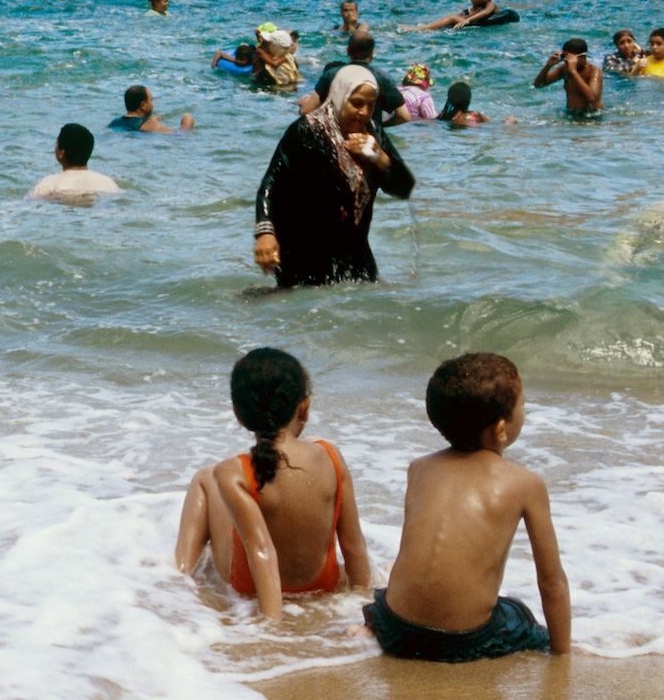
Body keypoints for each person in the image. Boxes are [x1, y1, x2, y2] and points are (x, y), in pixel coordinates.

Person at [363, 353, 569, 661]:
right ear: (501, 429)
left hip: (396, 631)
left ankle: (370, 628)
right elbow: (551, 582)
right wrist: (561, 654)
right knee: (517, 614)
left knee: (386, 596)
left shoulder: (418, 469)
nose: (525, 411)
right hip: (463, 643)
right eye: (523, 406)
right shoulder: (525, 483)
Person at [175, 348, 371, 619]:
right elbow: (353, 544)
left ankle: (179, 575)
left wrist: (272, 626)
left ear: (238, 414)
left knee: (204, 478)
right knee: (311, 443)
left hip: (252, 588)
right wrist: (360, 602)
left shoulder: (232, 472)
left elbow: (261, 550)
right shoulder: (331, 455)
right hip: (322, 585)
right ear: (304, 407)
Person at [253, 65, 414, 288]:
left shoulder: (374, 133)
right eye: (357, 103)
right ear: (339, 96)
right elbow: (271, 184)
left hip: (356, 255)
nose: (364, 112)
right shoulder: (306, 131)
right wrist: (265, 233)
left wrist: (379, 157)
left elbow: (403, 188)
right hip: (305, 254)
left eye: (371, 105)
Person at [300, 31, 407, 125]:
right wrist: (380, 127)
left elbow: (307, 111)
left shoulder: (332, 74)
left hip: (336, 137)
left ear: (347, 51)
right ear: (372, 52)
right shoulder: (383, 78)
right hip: (368, 139)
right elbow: (404, 116)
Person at [28, 123, 120, 202]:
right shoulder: (108, 183)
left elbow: (31, 202)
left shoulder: (50, 183)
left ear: (61, 153)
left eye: (57, 143)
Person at [532, 38, 604, 115]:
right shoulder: (565, 69)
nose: (566, 61)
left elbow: (592, 99)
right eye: (563, 57)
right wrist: (548, 66)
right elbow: (539, 85)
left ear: (582, 57)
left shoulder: (594, 71)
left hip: (592, 115)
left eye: (569, 58)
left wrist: (573, 72)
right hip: (571, 113)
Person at [409, 0, 516, 31]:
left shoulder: (491, 4)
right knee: (453, 17)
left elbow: (486, 13)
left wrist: (467, 20)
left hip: (480, 24)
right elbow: (474, 15)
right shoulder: (479, 8)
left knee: (452, 17)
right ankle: (428, 26)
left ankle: (419, 29)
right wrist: (463, 18)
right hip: (478, 24)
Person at [109, 85, 195, 133]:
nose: (152, 103)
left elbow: (132, 123)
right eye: (151, 100)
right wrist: (186, 124)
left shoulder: (114, 122)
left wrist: (147, 120)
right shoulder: (151, 124)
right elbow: (178, 136)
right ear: (143, 105)